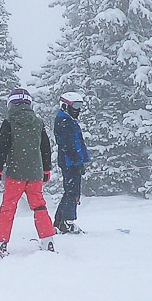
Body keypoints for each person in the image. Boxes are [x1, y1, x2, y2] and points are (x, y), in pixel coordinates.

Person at [0, 88, 56, 256]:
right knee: (39, 206)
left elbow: (1, 147)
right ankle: (47, 239)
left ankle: (1, 241)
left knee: (8, 207)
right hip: (35, 173)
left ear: (10, 104)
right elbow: (45, 148)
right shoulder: (38, 122)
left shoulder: (9, 123)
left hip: (15, 174)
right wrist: (46, 168)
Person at [53, 91, 89, 234]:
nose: (78, 110)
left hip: (71, 161)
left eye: (80, 106)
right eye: (75, 106)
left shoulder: (68, 121)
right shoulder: (64, 122)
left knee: (70, 191)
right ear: (65, 106)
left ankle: (59, 222)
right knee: (72, 192)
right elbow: (69, 145)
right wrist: (77, 162)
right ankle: (67, 222)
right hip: (70, 162)